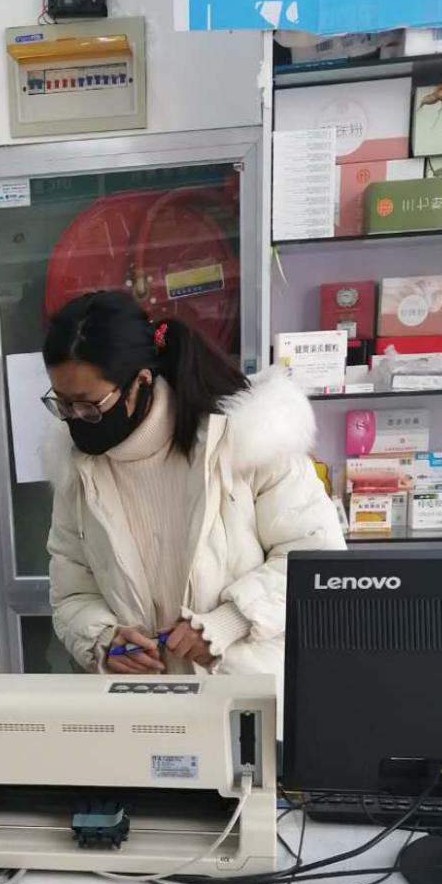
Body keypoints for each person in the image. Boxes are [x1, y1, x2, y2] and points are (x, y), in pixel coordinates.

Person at [43, 289, 345, 694]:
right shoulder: (79, 470)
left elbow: (317, 561)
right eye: (63, 405)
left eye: (89, 405)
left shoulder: (248, 439)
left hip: (245, 697)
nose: (76, 420)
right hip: (141, 705)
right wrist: (104, 639)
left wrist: (229, 621)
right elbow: (72, 592)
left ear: (141, 381)